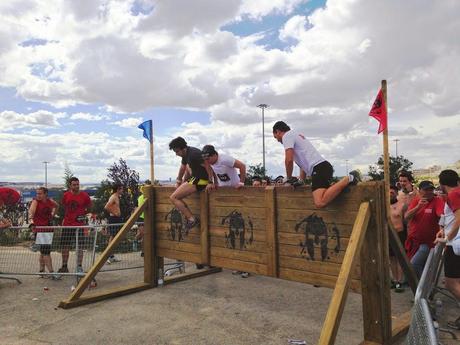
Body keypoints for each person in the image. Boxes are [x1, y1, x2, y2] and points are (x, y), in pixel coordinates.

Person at [272, 121, 360, 208]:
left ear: (278, 131)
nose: (278, 140)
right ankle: (346, 180)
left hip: (319, 168)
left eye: (276, 137)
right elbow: (304, 163)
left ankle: (350, 177)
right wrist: (301, 180)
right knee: (324, 196)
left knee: (319, 202)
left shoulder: (287, 136)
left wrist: (289, 178)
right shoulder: (295, 135)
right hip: (322, 167)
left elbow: (288, 160)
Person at [201, 145, 249, 278]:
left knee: (241, 230)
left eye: (209, 158)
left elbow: (242, 166)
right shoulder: (209, 162)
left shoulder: (225, 159)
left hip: (236, 193)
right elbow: (212, 171)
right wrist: (213, 182)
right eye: (206, 159)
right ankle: (236, 264)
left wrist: (242, 182)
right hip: (224, 195)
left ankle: (246, 266)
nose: (208, 161)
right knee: (228, 231)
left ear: (214, 154)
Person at [169, 137, 214, 231]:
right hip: (196, 179)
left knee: (174, 197)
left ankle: (192, 219)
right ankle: (190, 217)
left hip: (201, 181)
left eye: (176, 151)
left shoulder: (194, 154)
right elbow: (183, 167)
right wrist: (178, 181)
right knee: (177, 195)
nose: (176, 154)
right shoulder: (187, 154)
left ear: (182, 148)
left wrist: (210, 182)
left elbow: (208, 166)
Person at [434, 170, 460, 330]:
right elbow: (451, 218)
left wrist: (448, 237)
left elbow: (459, 218)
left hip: (455, 244)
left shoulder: (454, 194)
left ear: (442, 184)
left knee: (451, 283)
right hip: (455, 242)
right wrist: (444, 230)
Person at [404, 180, 444, 278]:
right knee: (422, 266)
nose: (429, 192)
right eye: (426, 190)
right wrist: (418, 206)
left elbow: (441, 216)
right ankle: (424, 288)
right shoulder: (416, 201)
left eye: (431, 189)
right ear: (420, 190)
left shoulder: (437, 200)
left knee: (414, 265)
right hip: (414, 242)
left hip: (428, 243)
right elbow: (406, 217)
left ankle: (424, 288)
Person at [59, 177, 91, 274]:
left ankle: (79, 266)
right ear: (70, 185)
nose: (76, 186)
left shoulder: (84, 196)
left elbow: (89, 207)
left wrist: (84, 217)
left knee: (80, 246)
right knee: (65, 246)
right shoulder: (66, 195)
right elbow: (63, 207)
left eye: (78, 184)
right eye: (74, 185)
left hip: (79, 225)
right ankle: (64, 266)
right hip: (67, 225)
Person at [28, 187, 59, 279]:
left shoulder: (50, 201)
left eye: (40, 193)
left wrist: (52, 215)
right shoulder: (35, 202)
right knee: (46, 252)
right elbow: (31, 213)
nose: (38, 195)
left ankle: (41, 271)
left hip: (48, 229)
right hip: (41, 230)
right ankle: (52, 272)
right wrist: (32, 223)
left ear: (45, 194)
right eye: (37, 193)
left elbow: (57, 206)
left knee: (43, 252)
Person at [388, 185, 406, 292]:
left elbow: (399, 215)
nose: (390, 194)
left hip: (399, 233)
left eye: (392, 192)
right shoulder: (384, 205)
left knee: (399, 258)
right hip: (389, 234)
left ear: (396, 193)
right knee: (392, 259)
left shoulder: (401, 204)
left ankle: (400, 280)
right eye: (389, 192)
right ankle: (395, 280)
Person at [104, 184, 123, 264]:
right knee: (112, 237)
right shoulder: (113, 197)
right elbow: (106, 207)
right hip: (113, 219)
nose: (122, 190)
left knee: (115, 237)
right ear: (118, 189)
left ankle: (112, 255)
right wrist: (115, 213)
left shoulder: (116, 196)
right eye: (121, 189)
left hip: (116, 218)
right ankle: (108, 256)